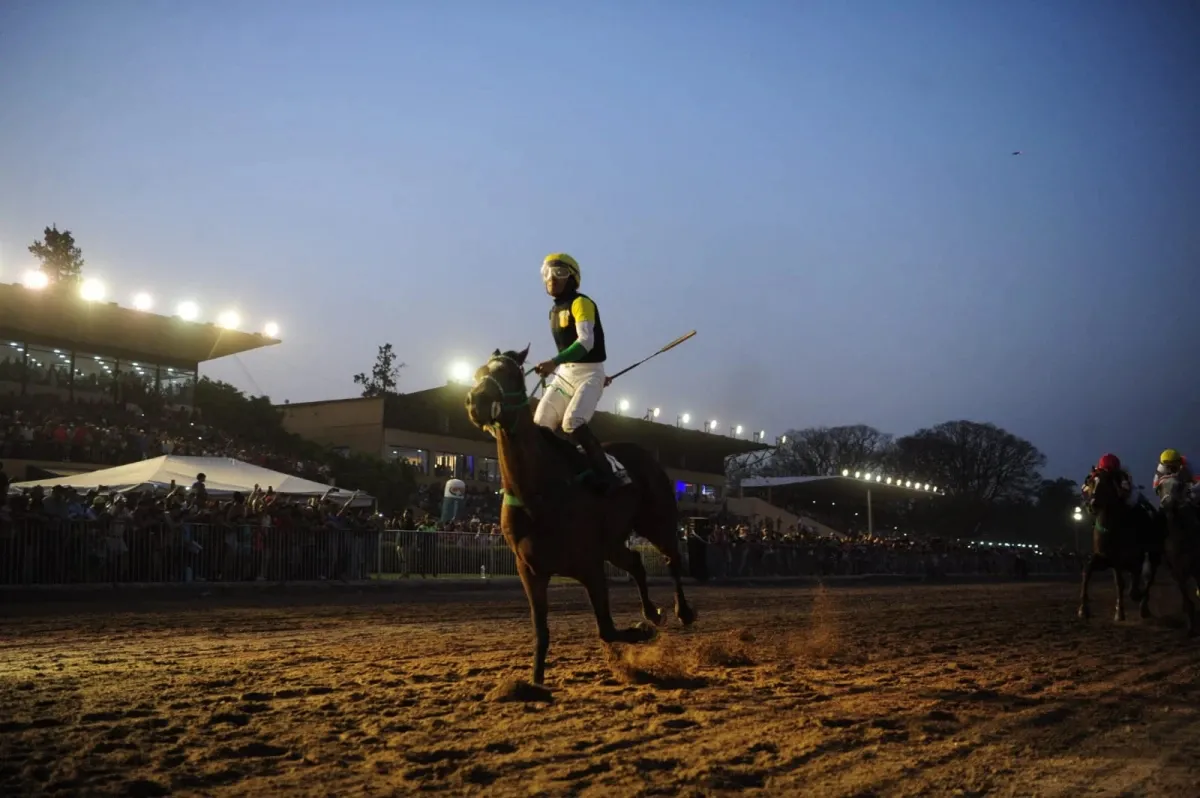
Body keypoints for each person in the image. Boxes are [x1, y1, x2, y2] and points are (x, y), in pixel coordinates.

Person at [531, 253, 616, 491]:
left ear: (572, 277)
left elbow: (586, 342)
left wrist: (553, 362)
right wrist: (557, 365)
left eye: (559, 273)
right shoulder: (553, 312)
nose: (551, 278)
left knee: (573, 422)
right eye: (547, 273)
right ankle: (560, 470)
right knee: (540, 425)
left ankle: (606, 474)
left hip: (589, 374)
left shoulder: (582, 303)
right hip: (565, 375)